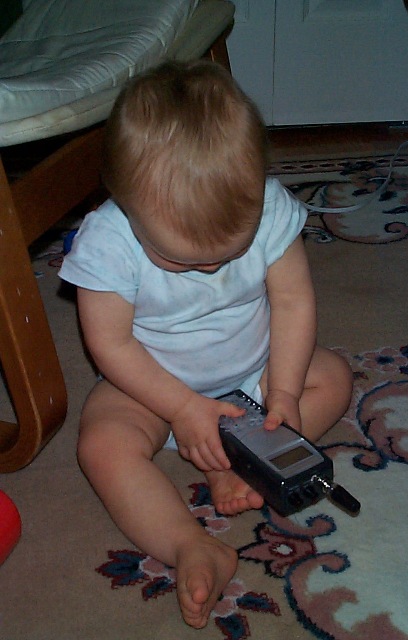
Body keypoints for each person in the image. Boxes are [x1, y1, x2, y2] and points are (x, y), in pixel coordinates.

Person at [59, 60, 352, 629]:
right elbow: (110, 346)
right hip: (150, 387)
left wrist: (284, 393)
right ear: (124, 205)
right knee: (102, 446)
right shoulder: (108, 243)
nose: (212, 269)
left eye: (230, 252)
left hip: (253, 373)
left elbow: (293, 302)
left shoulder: (269, 209)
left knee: (333, 378)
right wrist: (181, 407)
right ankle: (189, 543)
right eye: (181, 260)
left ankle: (243, 466)